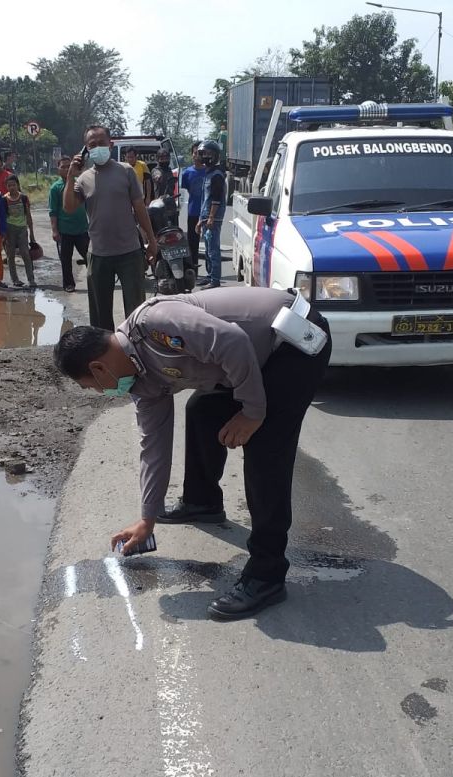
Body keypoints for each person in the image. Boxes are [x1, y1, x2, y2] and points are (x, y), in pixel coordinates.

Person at [52, 287, 332, 620]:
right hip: (250, 359)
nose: (101, 392)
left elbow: (233, 342)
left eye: (93, 386)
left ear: (98, 368)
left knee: (265, 449)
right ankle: (203, 502)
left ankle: (266, 575)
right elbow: (152, 444)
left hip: (293, 341)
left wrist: (253, 412)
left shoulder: (155, 324)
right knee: (202, 411)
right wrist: (148, 517)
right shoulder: (142, 380)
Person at [63, 124, 158, 331]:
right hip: (98, 255)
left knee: (136, 313)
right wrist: (70, 175)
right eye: (92, 145)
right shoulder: (83, 179)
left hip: (130, 253)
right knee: (100, 317)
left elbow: (140, 208)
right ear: (86, 150)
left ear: (110, 144)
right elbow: (69, 207)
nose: (97, 147)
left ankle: (135, 353)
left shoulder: (126, 172)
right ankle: (106, 354)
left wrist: (151, 240)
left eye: (101, 143)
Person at [48, 155, 90, 293]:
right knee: (66, 260)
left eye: (68, 166)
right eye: (63, 167)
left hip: (82, 229)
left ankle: (96, 280)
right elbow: (53, 211)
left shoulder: (80, 183)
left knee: (91, 257)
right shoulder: (55, 188)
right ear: (58, 169)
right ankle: (68, 284)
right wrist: (55, 231)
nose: (66, 169)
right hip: (64, 231)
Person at [195, 140, 227, 288]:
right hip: (206, 217)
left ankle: (215, 279)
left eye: (207, 154)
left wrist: (211, 217)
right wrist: (200, 220)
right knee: (207, 249)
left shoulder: (217, 175)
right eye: (202, 154)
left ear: (214, 156)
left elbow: (215, 199)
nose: (203, 157)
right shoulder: (208, 174)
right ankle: (209, 276)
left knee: (213, 250)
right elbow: (205, 200)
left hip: (213, 218)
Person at [3, 174, 36, 289]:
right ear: (6, 187)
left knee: (25, 254)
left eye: (14, 185)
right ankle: (15, 279)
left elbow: (28, 216)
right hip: (9, 229)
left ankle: (31, 279)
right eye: (9, 185)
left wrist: (31, 233)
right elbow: (2, 217)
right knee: (10, 255)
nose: (12, 187)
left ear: (18, 185)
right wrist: (4, 233)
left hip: (22, 229)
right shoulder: (4, 199)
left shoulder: (23, 198)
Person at [180, 142, 204, 266]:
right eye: (195, 153)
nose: (197, 156)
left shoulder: (209, 172)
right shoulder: (186, 173)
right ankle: (193, 270)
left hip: (207, 213)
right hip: (193, 212)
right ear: (191, 155)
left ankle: (211, 274)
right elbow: (181, 192)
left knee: (210, 244)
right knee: (192, 243)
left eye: (199, 153)